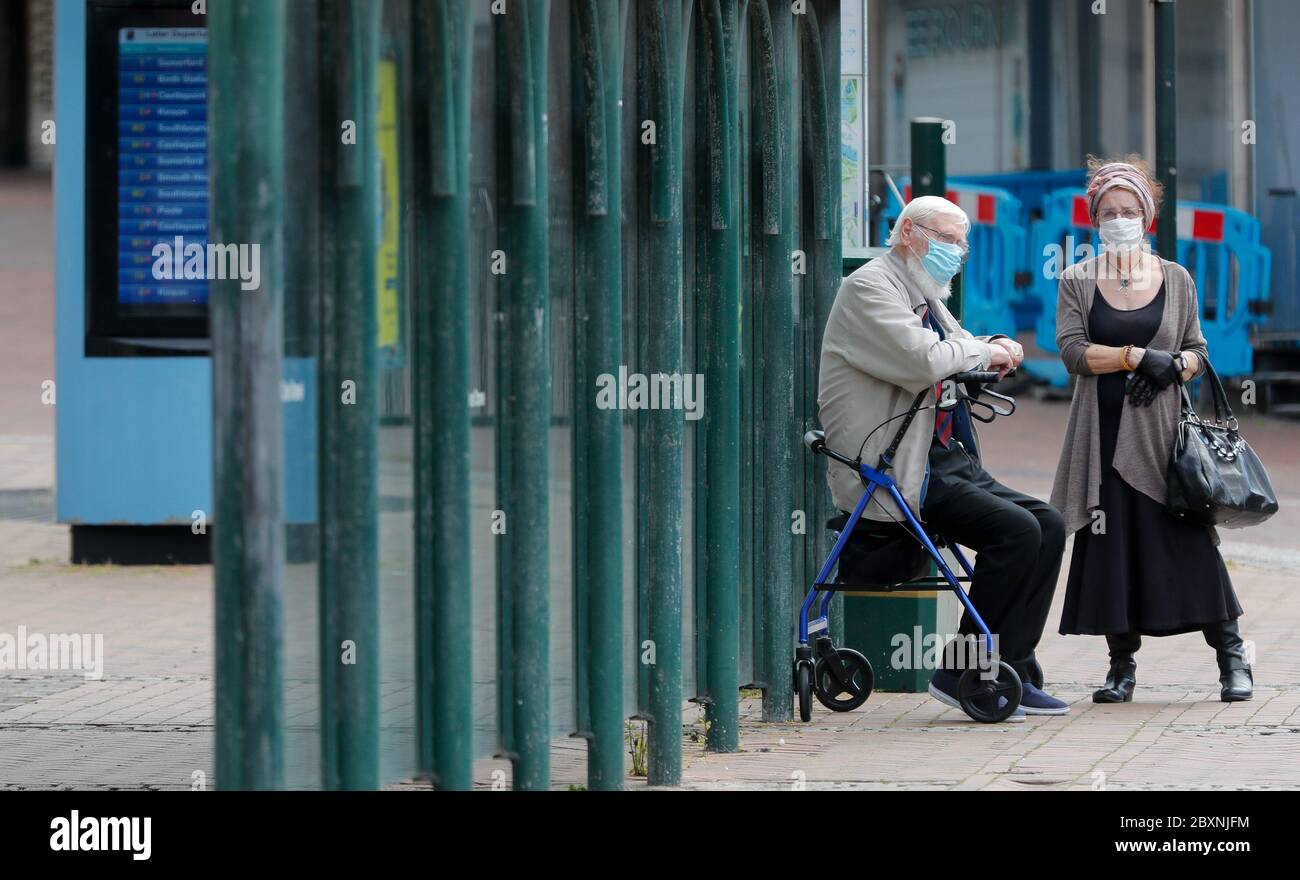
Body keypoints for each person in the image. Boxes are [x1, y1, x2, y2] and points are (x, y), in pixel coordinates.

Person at [819, 195, 1069, 718]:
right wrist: (987, 350)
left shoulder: (925, 292)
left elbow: (956, 345)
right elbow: (924, 359)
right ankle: (963, 673)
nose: (959, 251)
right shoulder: (869, 287)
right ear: (909, 233)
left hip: (939, 455)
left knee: (1046, 522)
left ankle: (1012, 665)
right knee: (1017, 531)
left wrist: (993, 346)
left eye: (963, 242)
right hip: (893, 470)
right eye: (949, 240)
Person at [1052, 157, 1252, 703]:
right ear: (1094, 219)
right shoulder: (1076, 279)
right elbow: (1071, 352)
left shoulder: (1177, 278)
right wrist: (1136, 357)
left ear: (1148, 216)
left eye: (1130, 210)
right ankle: (1121, 667)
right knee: (1112, 544)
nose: (1120, 219)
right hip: (1103, 429)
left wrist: (1175, 366)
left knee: (1190, 542)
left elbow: (1197, 351)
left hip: (1165, 434)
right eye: (1109, 212)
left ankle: (1232, 657)